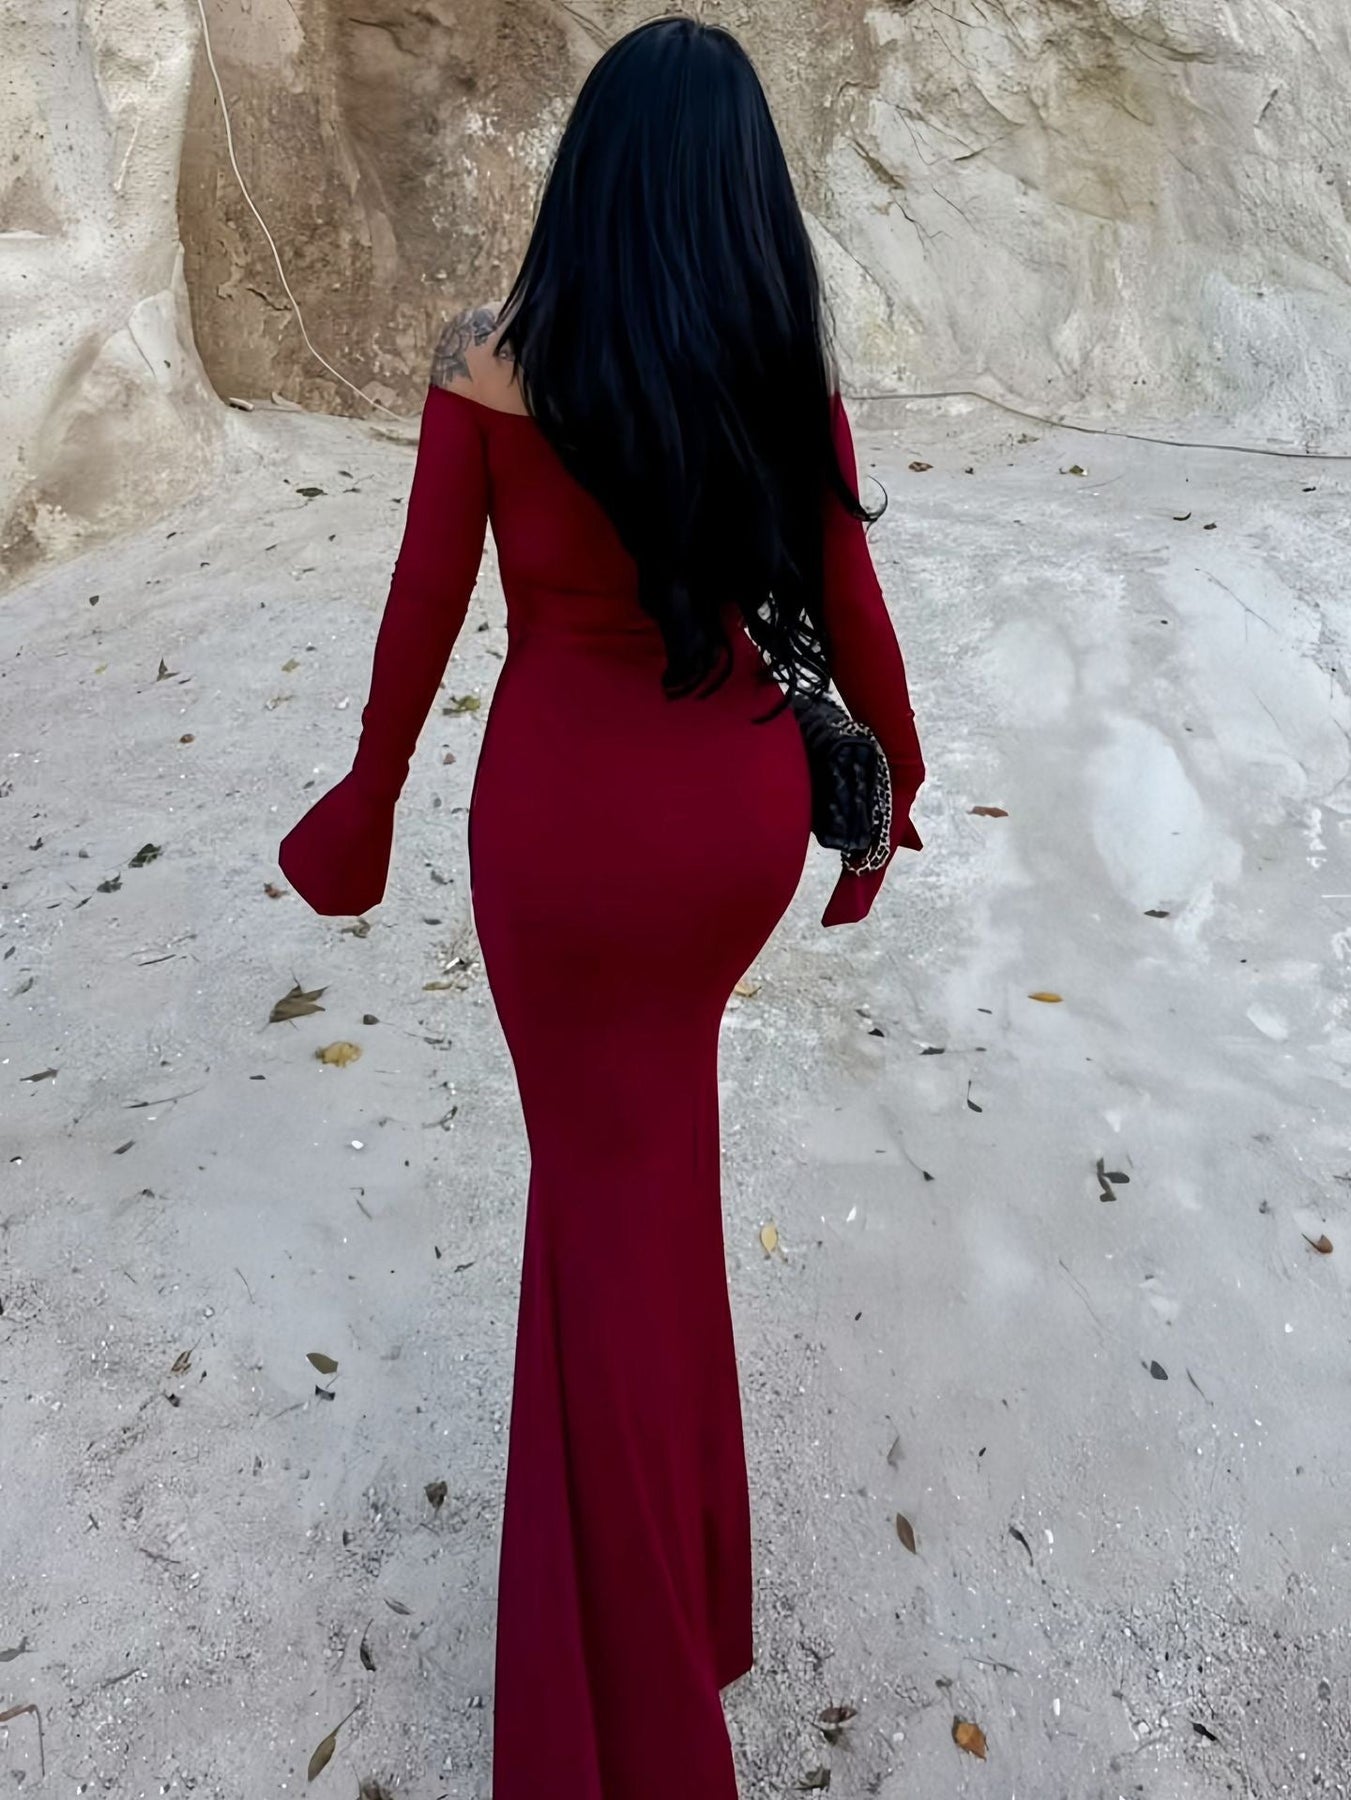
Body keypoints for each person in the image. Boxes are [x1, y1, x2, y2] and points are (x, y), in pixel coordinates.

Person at [277, 14, 925, 1796]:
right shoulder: (774, 364)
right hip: (729, 837)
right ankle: (687, 1601)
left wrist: (366, 805)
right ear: (741, 193)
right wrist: (894, 800)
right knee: (653, 1181)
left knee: (600, 1215)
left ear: (589, 172)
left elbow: (422, 611)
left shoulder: (488, 366)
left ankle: (628, 1725)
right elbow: (853, 613)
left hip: (562, 843)